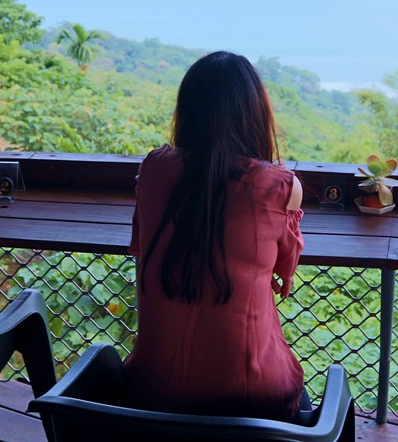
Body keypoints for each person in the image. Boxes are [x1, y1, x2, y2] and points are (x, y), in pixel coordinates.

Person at [123, 50, 306, 422]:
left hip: (152, 395)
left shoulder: (154, 170)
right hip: (251, 400)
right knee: (306, 402)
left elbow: (141, 246)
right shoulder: (279, 186)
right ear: (255, 114)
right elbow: (284, 277)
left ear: (187, 111)